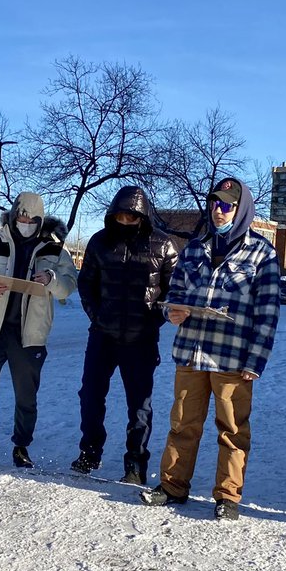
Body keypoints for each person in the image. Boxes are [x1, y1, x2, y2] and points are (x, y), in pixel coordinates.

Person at [140, 177, 280, 521]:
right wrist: (173, 311)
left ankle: (228, 496)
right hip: (191, 352)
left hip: (232, 358)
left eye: (227, 205)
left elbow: (267, 313)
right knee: (182, 424)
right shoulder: (194, 248)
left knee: (232, 430)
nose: (219, 211)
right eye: (215, 203)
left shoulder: (262, 253)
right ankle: (172, 485)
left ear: (241, 209)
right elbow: (176, 293)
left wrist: (256, 361)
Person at [0, 192, 77, 469]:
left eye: (31, 220)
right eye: (21, 219)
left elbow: (68, 286)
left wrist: (51, 279)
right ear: (14, 217)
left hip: (30, 335)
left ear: (40, 221)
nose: (25, 224)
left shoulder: (54, 251)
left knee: (26, 394)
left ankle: (21, 446)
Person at [72, 186, 178, 484]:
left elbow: (174, 290)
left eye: (132, 217)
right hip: (102, 335)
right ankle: (90, 452)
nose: (125, 221)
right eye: (120, 216)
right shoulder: (99, 242)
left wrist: (154, 319)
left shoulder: (163, 245)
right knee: (90, 396)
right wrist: (97, 316)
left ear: (143, 216)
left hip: (141, 339)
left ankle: (135, 464)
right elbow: (86, 283)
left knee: (140, 405)